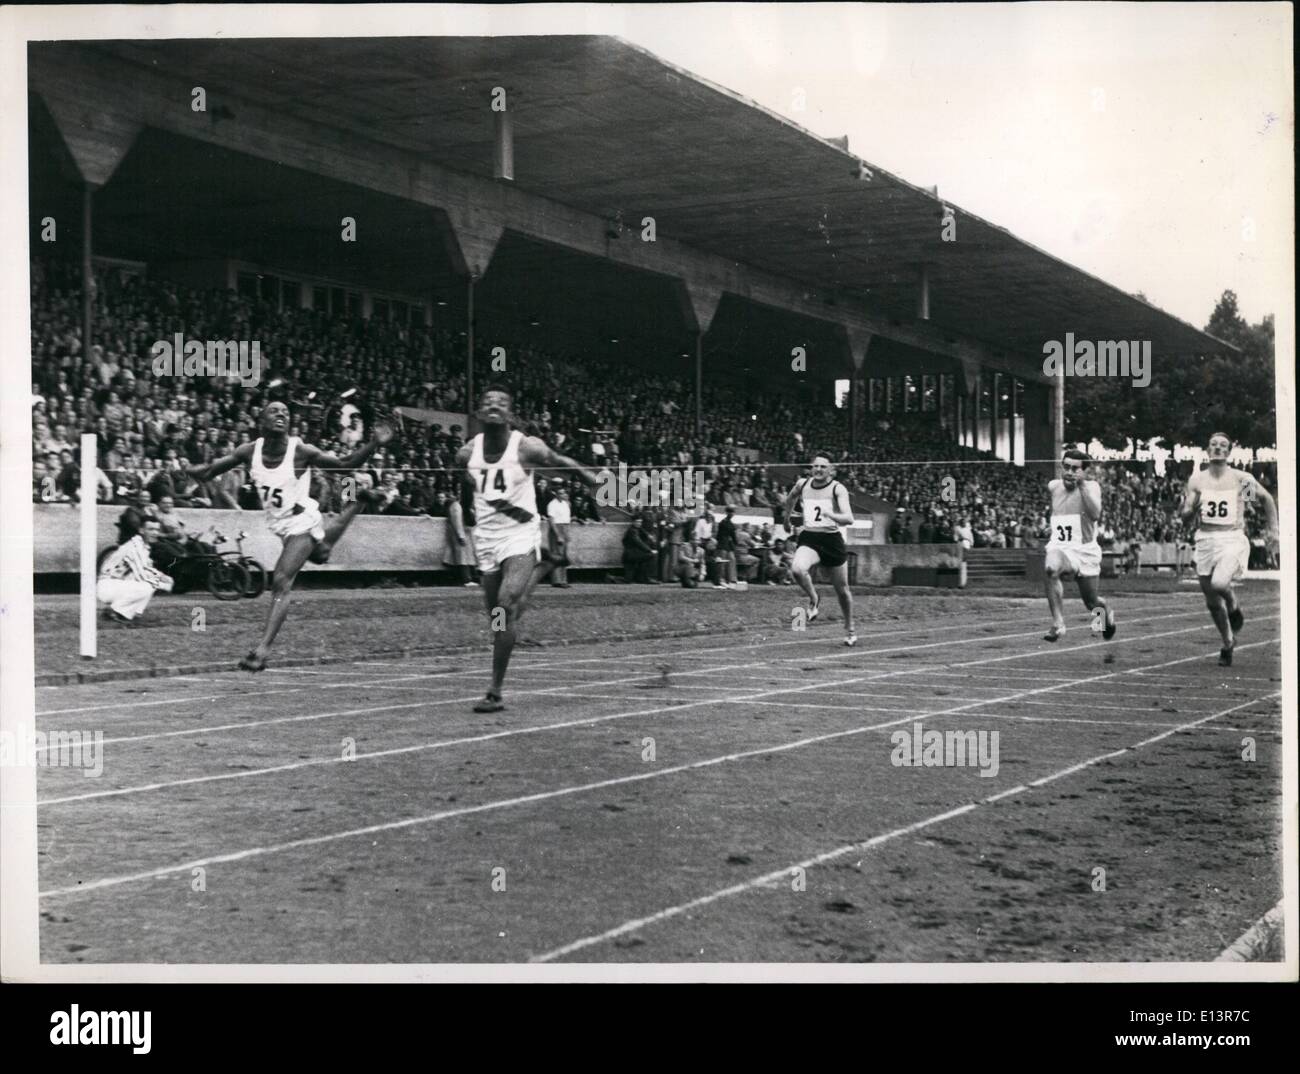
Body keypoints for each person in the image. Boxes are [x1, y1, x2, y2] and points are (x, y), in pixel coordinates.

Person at [184, 400, 393, 671]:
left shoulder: (301, 451)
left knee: (281, 580)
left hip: (301, 520)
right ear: (261, 420)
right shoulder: (249, 451)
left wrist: (374, 443)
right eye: (274, 410)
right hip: (279, 524)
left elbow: (344, 464)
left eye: (286, 412)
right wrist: (187, 469)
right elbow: (210, 471)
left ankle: (262, 651)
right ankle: (357, 502)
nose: (281, 414)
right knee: (322, 553)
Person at [455, 385, 603, 713]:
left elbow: (559, 461)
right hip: (486, 539)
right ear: (479, 413)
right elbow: (468, 479)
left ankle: (494, 690)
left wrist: (592, 479)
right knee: (499, 615)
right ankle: (543, 569)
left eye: (502, 402)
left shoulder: (527, 447)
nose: (494, 405)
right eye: (487, 402)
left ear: (510, 414)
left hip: (520, 534)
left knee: (506, 604)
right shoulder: (467, 453)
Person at [1178, 431, 1279, 666]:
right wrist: (1191, 509)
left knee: (1220, 583)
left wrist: (1274, 530)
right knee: (1212, 602)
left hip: (1231, 539)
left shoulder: (1240, 479)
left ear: (1229, 452)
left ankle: (1233, 604)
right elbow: (1184, 516)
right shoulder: (1197, 480)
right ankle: (1228, 643)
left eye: (1223, 445)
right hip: (1205, 540)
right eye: (1213, 444)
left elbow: (1265, 501)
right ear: (1207, 450)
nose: (1218, 448)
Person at [1042, 450, 1116, 643]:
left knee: (1092, 603)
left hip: (1085, 551)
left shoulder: (1092, 487)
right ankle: (1058, 624)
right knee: (1051, 568)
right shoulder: (1053, 486)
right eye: (1066, 467)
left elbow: (1095, 514)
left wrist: (1081, 485)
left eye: (1075, 468)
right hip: (1061, 547)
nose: (1069, 472)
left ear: (1084, 471)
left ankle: (1105, 616)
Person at [783, 455, 857, 645]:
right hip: (810, 537)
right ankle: (814, 599)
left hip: (831, 540)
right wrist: (786, 518)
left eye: (823, 467)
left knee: (842, 591)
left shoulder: (837, 488)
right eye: (815, 466)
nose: (818, 470)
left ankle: (850, 628)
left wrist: (831, 514)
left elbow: (848, 518)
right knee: (797, 569)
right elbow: (790, 498)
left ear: (831, 470)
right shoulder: (802, 484)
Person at [97, 517, 173, 623]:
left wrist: (161, 576)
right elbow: (142, 574)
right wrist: (164, 584)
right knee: (149, 584)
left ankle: (132, 615)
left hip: (115, 583)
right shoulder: (135, 546)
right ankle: (113, 611)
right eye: (150, 529)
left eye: (157, 530)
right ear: (141, 530)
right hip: (107, 586)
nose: (155, 533)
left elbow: (146, 568)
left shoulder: (143, 546)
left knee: (149, 582)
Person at [443, 487, 478, 586]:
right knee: (462, 557)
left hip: (467, 534)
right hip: (460, 535)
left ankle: (470, 578)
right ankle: (465, 580)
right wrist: (460, 535)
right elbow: (457, 522)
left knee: (467, 557)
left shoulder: (467, 507)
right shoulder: (456, 506)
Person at [545, 484, 572, 588]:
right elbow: (551, 521)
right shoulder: (552, 504)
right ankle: (557, 580)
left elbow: (566, 519)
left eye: (564, 493)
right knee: (557, 554)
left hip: (564, 527)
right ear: (556, 494)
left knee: (563, 554)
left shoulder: (566, 504)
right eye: (560, 493)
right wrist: (558, 535)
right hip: (557, 528)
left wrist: (566, 533)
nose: (563, 495)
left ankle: (563, 579)